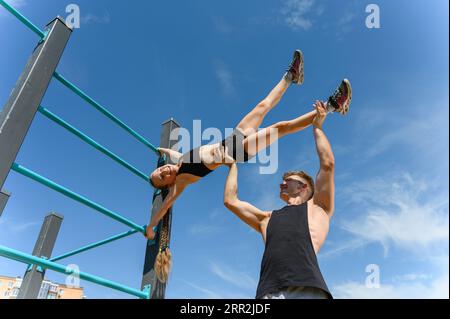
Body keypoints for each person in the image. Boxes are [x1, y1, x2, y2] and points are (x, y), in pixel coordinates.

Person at [145, 50, 351, 240]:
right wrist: (151, 227)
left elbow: (170, 153)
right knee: (281, 127)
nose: (164, 171)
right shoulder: (181, 182)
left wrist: (161, 150)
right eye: (163, 177)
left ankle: (291, 76)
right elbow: (165, 207)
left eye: (161, 169)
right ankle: (332, 106)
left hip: (232, 138)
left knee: (264, 104)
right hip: (236, 152)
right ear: (169, 183)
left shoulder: (179, 159)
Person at [223, 100, 339, 299]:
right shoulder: (266, 219)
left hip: (308, 290)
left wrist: (317, 127)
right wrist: (232, 165)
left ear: (304, 187)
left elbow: (327, 164)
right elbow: (230, 201)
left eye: (288, 181)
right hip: (268, 293)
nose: (281, 184)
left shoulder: (318, 208)